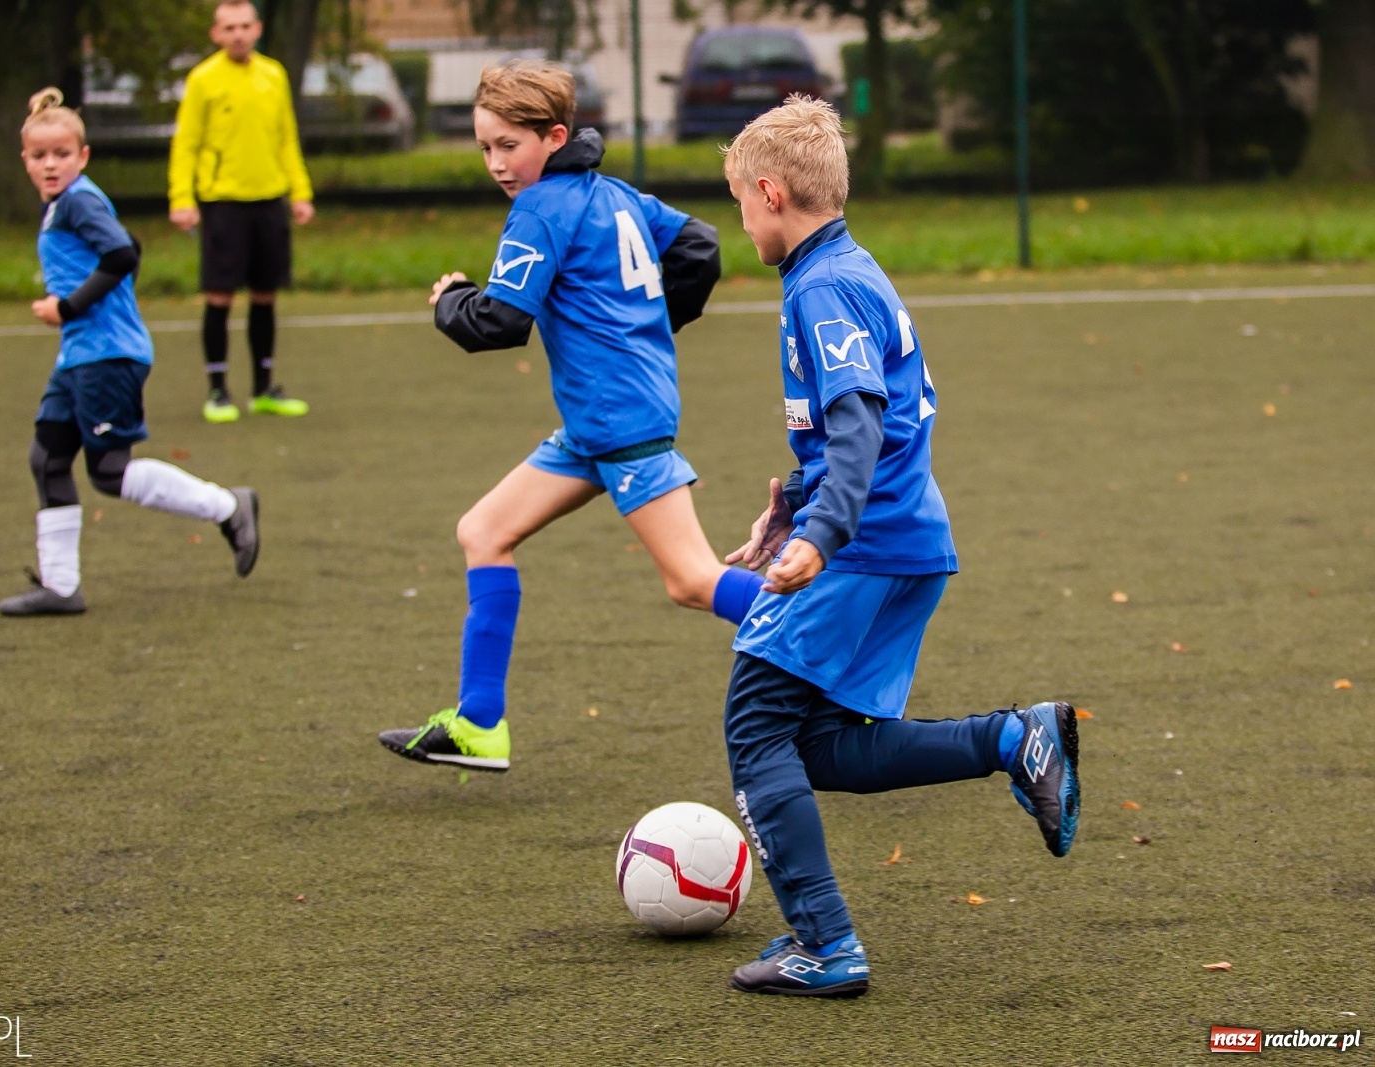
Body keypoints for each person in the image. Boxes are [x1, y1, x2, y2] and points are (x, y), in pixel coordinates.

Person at [716, 97, 1081, 996]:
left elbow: (857, 421)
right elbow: (847, 428)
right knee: (823, 748)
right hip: (904, 537)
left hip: (864, 544)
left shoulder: (822, 288)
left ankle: (825, 943)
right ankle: (1012, 737)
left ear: (770, 191)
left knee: (756, 725)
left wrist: (822, 532)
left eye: (739, 202)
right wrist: (789, 506)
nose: (740, 221)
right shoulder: (847, 267)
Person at [376, 61, 765, 773]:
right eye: (484, 147)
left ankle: (836, 643)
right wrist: (643, 325)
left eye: (508, 146)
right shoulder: (612, 194)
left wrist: (446, 301)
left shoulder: (540, 208)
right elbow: (698, 246)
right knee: (483, 531)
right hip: (596, 423)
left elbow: (496, 322)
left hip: (620, 423)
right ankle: (479, 724)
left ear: (554, 136)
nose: (496, 163)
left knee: (689, 580)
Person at [1, 88, 260, 617]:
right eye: (39, 155)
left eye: (62, 154)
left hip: (107, 354)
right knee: (47, 458)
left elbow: (123, 252)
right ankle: (61, 587)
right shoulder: (59, 205)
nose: (50, 164)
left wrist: (68, 308)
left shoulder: (78, 200)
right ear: (24, 159)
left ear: (83, 156)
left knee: (108, 472)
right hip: (80, 356)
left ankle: (230, 507)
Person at [168, 0, 314, 424]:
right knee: (220, 296)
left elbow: (286, 137)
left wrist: (299, 192)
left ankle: (264, 388)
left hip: (269, 201)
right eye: (228, 27)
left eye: (244, 26)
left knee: (265, 296)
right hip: (222, 204)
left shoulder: (273, 74)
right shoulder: (203, 79)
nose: (237, 34)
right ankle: (217, 390)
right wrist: (182, 199)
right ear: (216, 34)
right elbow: (187, 143)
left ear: (258, 29)